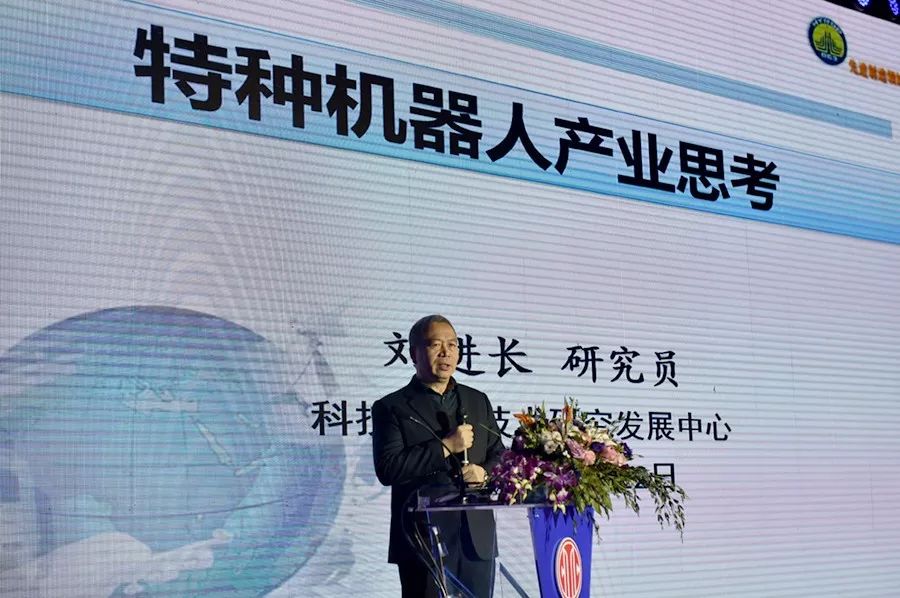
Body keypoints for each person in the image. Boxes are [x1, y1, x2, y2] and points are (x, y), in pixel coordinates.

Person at [372, 315, 505, 598]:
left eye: (452, 345)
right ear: (414, 354)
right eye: (435, 345)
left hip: (476, 540)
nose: (446, 353)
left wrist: (484, 473)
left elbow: (499, 455)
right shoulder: (392, 407)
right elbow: (388, 468)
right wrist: (445, 446)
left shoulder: (477, 400)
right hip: (423, 541)